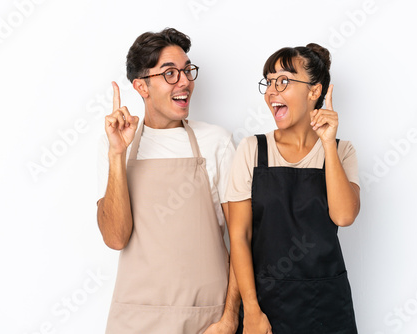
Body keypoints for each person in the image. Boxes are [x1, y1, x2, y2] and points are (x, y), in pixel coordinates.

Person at [96, 28, 240, 334]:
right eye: (170, 73)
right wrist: (116, 155)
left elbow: (244, 240)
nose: (185, 81)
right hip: (136, 320)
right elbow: (115, 238)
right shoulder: (115, 146)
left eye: (187, 70)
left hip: (207, 319)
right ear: (141, 86)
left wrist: (229, 319)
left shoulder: (216, 142)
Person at [227, 43, 360, 333]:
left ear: (314, 91)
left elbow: (344, 216)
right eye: (269, 81)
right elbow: (239, 236)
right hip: (266, 304)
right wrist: (250, 310)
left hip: (328, 303)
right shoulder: (252, 150)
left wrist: (327, 143)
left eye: (284, 81)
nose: (272, 91)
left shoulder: (341, 150)